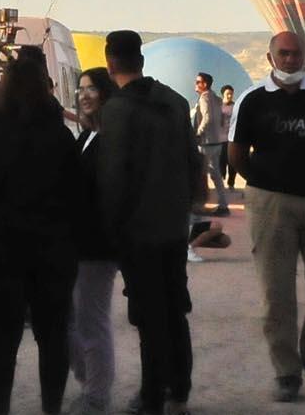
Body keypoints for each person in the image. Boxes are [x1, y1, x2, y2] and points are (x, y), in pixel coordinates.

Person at [0, 57, 83, 415]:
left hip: (0, 250)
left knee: (2, 339)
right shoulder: (60, 136)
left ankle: (0, 409)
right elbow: (79, 194)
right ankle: (51, 408)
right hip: (52, 249)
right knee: (52, 338)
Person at [94, 29, 203, 415]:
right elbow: (194, 158)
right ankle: (180, 386)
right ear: (140, 60)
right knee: (175, 305)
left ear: (110, 64)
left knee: (148, 312)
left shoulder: (116, 110)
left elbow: (114, 176)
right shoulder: (174, 101)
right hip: (174, 222)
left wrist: (109, 226)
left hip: (138, 230)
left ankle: (152, 394)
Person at [232, 30, 305, 402]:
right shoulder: (252, 100)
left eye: (296, 54)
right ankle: (286, 371)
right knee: (276, 292)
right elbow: (236, 153)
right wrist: (264, 184)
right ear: (270, 58)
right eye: (283, 54)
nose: (290, 60)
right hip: (272, 202)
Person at [67, 68, 120, 415]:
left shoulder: (109, 139)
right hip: (77, 241)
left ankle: (97, 393)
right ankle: (89, 381)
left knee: (91, 319)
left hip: (97, 244)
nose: (84, 95)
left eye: (92, 89)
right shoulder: (87, 136)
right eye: (81, 89)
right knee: (74, 318)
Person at [189, 73, 227, 215]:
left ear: (204, 84)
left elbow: (207, 118)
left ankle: (199, 205)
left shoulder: (204, 98)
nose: (196, 84)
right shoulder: (217, 99)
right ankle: (223, 205)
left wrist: (198, 133)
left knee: (201, 174)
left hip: (207, 143)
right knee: (216, 174)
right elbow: (222, 118)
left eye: (198, 81)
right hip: (217, 141)